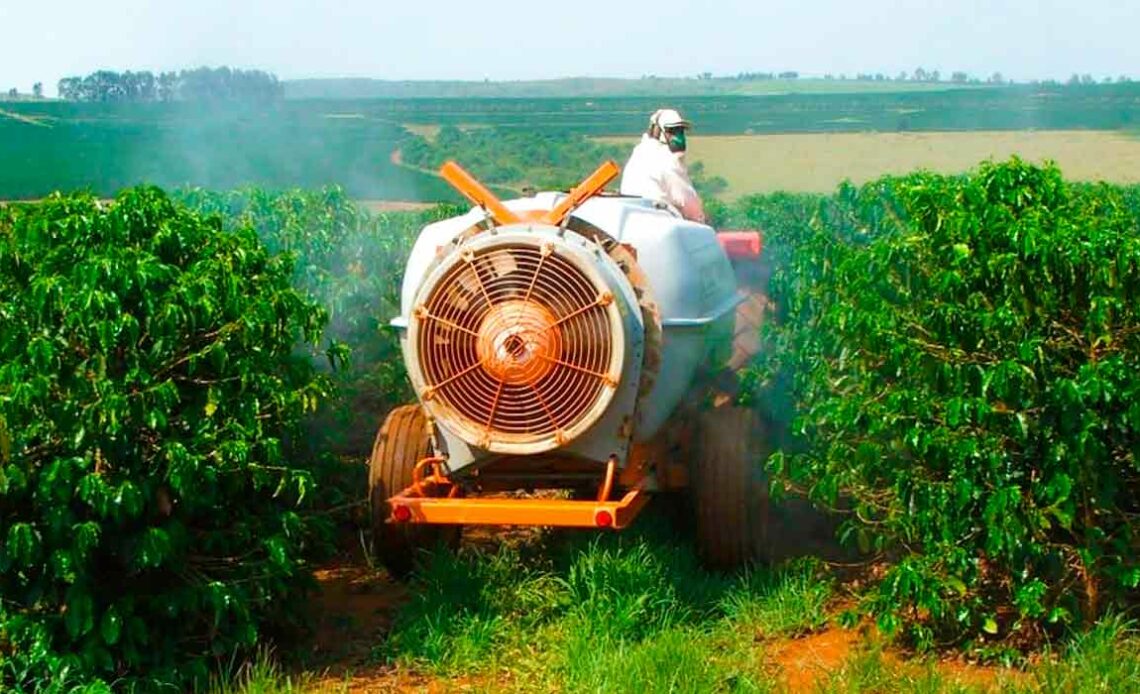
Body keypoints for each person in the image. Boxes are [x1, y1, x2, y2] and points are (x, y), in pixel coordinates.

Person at [619, 108, 707, 223]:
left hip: (636, 222)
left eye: (680, 131)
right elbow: (687, 202)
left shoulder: (639, 153)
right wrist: (702, 220)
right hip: (660, 222)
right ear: (657, 131)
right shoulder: (665, 159)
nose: (678, 137)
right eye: (671, 131)